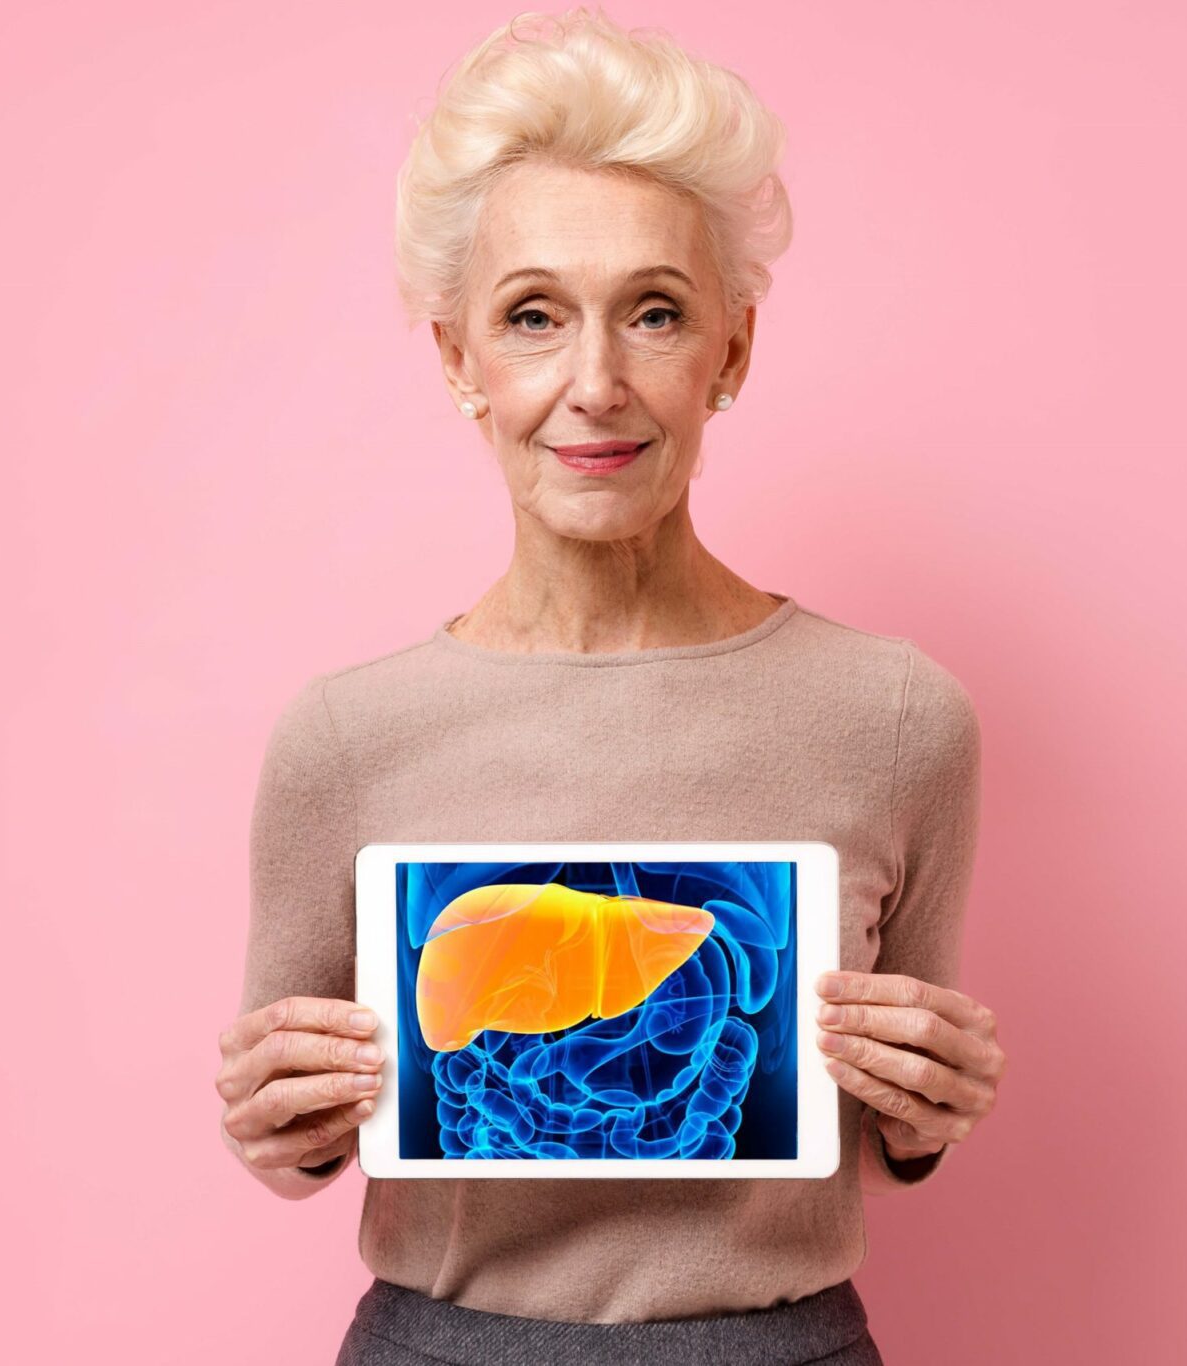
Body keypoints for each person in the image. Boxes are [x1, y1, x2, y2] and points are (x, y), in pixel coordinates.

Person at [212, 9, 1007, 1362]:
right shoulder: (346, 738)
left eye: (654, 312)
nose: (595, 385)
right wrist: (277, 1116)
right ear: (461, 357)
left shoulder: (896, 718)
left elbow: (886, 1141)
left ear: (731, 352)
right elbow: (304, 1147)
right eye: (532, 317)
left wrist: (927, 1107)